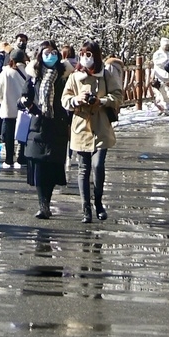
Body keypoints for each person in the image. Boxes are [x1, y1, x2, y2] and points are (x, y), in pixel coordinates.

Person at [64, 40, 120, 223]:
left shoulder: (105, 74)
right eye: (82, 54)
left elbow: (118, 95)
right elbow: (65, 98)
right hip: (81, 126)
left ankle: (98, 202)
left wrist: (101, 101)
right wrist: (76, 100)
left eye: (89, 54)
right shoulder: (74, 76)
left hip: (101, 125)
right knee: (83, 168)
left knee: (98, 165)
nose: (85, 58)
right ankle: (85, 208)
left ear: (95, 55)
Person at [20, 42, 70, 220]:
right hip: (37, 125)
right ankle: (43, 205)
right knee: (39, 165)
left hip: (57, 125)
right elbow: (23, 98)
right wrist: (28, 104)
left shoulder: (65, 75)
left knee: (52, 166)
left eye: (53, 52)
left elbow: (68, 97)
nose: (50, 55)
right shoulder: (33, 75)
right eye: (46, 52)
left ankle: (47, 202)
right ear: (40, 55)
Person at [0, 51, 30, 169]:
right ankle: (21, 158)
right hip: (24, 110)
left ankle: (9, 159)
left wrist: (1, 100)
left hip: (9, 109)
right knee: (23, 135)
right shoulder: (29, 72)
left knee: (8, 136)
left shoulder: (6, 73)